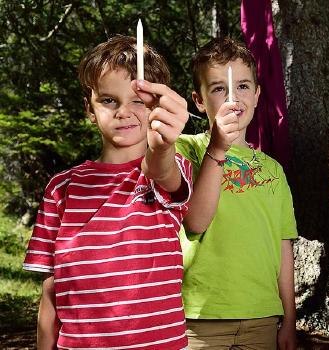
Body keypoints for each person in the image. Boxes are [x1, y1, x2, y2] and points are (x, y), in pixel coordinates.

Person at [22, 35, 228, 349]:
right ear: (89, 109)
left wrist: (163, 148)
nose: (123, 111)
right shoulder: (61, 188)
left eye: (138, 100)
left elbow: (164, 173)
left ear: (157, 106)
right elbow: (51, 289)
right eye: (109, 100)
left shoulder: (170, 168)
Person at [176, 37, 298, 350]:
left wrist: (289, 318)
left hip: (262, 316)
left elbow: (284, 248)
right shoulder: (185, 149)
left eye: (243, 86)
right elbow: (193, 222)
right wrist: (218, 147)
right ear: (199, 100)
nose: (234, 97)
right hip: (198, 319)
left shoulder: (273, 170)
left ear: (257, 95)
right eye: (219, 88)